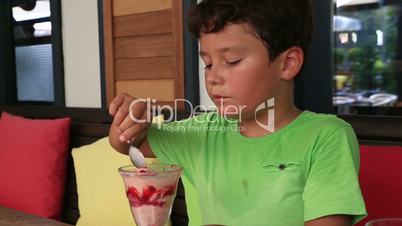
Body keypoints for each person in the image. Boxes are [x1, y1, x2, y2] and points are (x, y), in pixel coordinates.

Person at [108, 0, 367, 225]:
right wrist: (130, 119)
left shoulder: (326, 138)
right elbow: (127, 144)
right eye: (207, 63)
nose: (212, 77)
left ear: (287, 63)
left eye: (232, 61)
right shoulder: (203, 132)